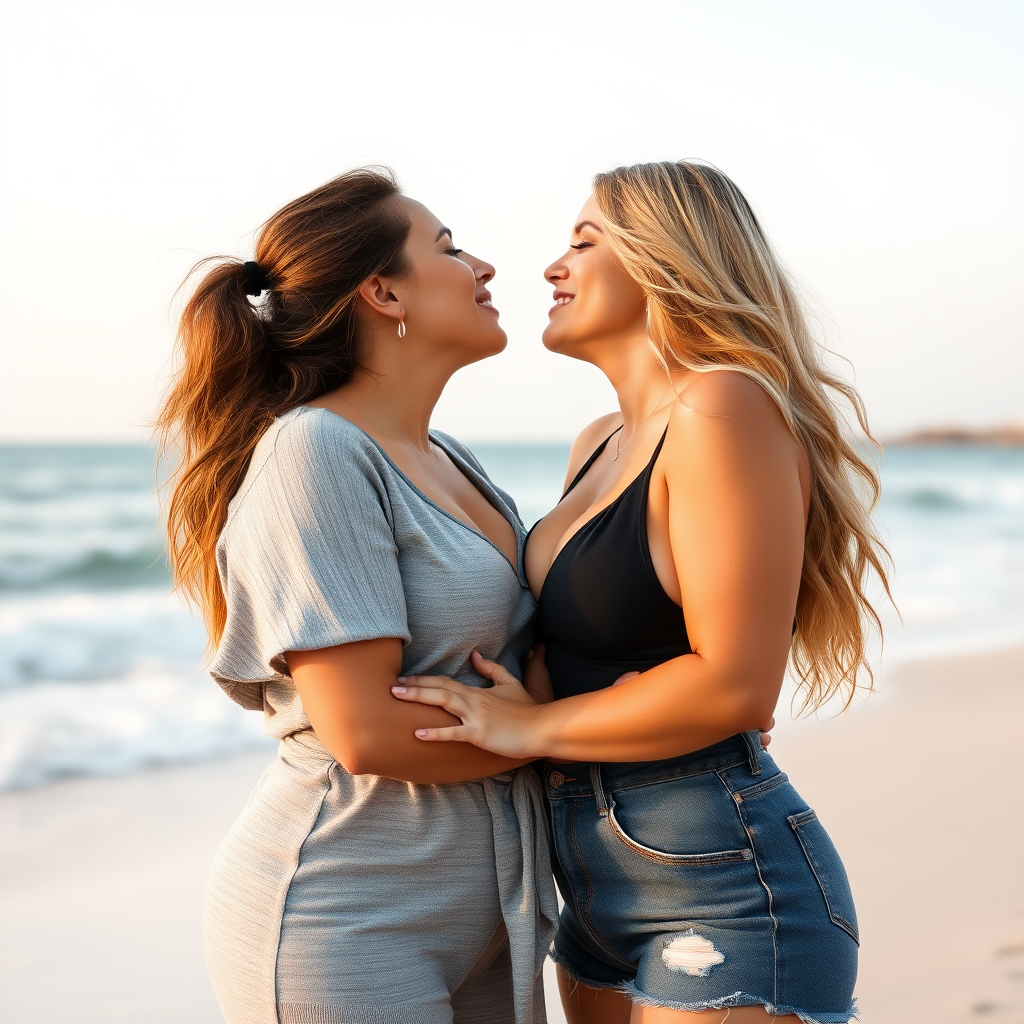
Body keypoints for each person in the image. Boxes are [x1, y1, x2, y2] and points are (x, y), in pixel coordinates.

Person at [392, 160, 891, 1023]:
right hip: (587, 879)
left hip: (721, 874)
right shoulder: (599, 441)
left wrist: (534, 726)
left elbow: (738, 683)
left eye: (584, 242)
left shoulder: (722, 406)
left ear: (668, 261)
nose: (552, 268)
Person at [157, 168, 557, 1024]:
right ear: (382, 291)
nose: (483, 266)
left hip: (492, 910)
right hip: (348, 915)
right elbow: (365, 731)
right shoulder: (316, 453)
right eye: (448, 248)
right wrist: (544, 734)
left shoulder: (455, 461)